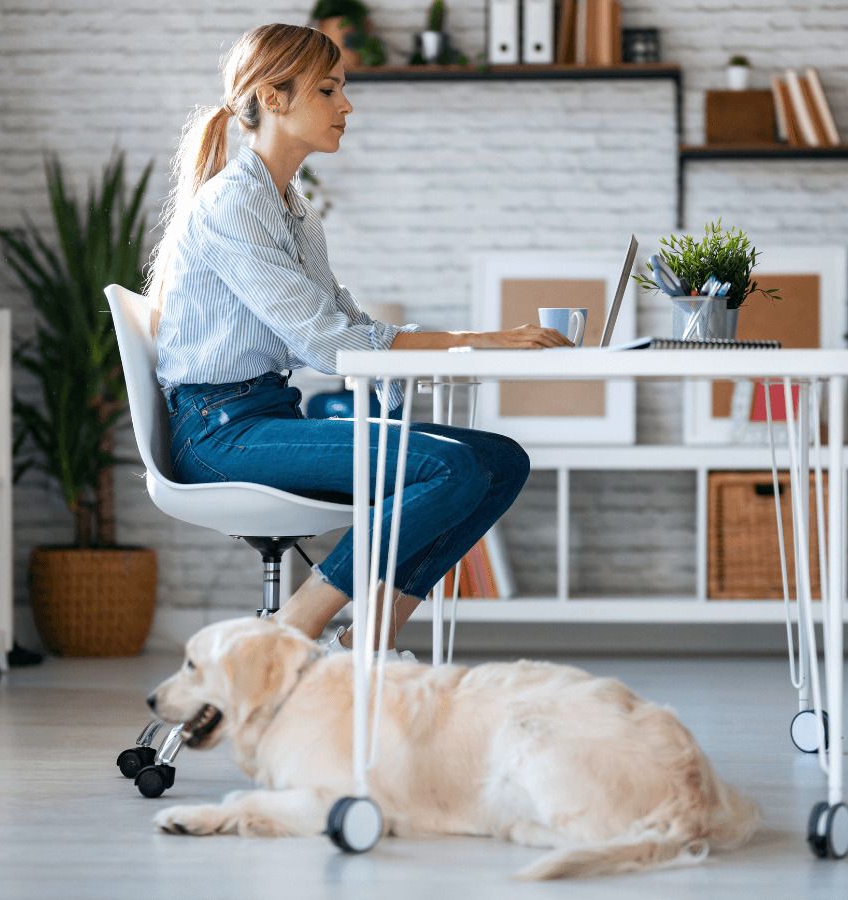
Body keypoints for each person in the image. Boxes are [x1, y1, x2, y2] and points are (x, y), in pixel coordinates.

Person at [147, 23, 570, 655]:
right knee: (448, 467)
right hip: (217, 435)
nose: (346, 106)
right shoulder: (232, 205)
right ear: (275, 95)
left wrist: (469, 347)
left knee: (502, 460)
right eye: (328, 90)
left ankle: (365, 644)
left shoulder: (292, 209)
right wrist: (483, 339)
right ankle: (297, 626)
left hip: (265, 416)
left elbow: (349, 328)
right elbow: (329, 345)